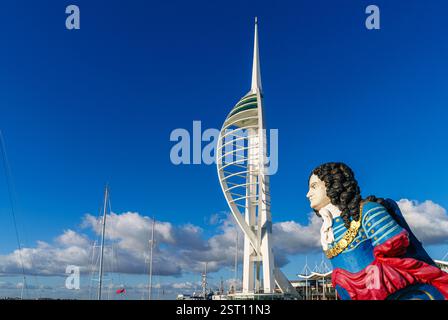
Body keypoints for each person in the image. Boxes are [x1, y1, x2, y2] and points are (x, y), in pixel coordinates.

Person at [306, 162, 448, 300]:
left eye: (313, 187)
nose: (308, 194)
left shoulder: (368, 211)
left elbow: (395, 248)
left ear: (334, 183)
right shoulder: (327, 229)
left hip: (393, 290)